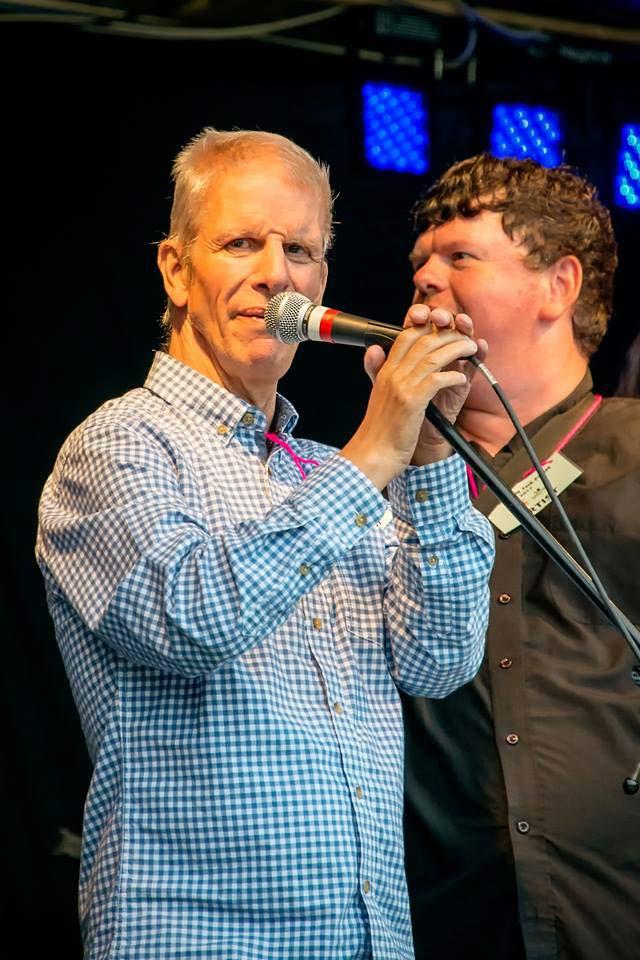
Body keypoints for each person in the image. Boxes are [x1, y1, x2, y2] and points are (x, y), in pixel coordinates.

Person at [35, 127, 495, 960]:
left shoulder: (319, 473)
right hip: (198, 938)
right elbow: (193, 617)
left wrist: (428, 455)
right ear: (176, 270)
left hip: (368, 938)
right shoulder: (118, 445)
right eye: (241, 243)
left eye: (301, 250)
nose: (276, 274)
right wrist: (373, 455)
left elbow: (440, 661)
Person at [401, 152, 640, 960]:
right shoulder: (378, 477)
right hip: (443, 921)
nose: (425, 278)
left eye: (460, 256)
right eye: (420, 262)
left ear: (558, 286)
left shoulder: (633, 448)